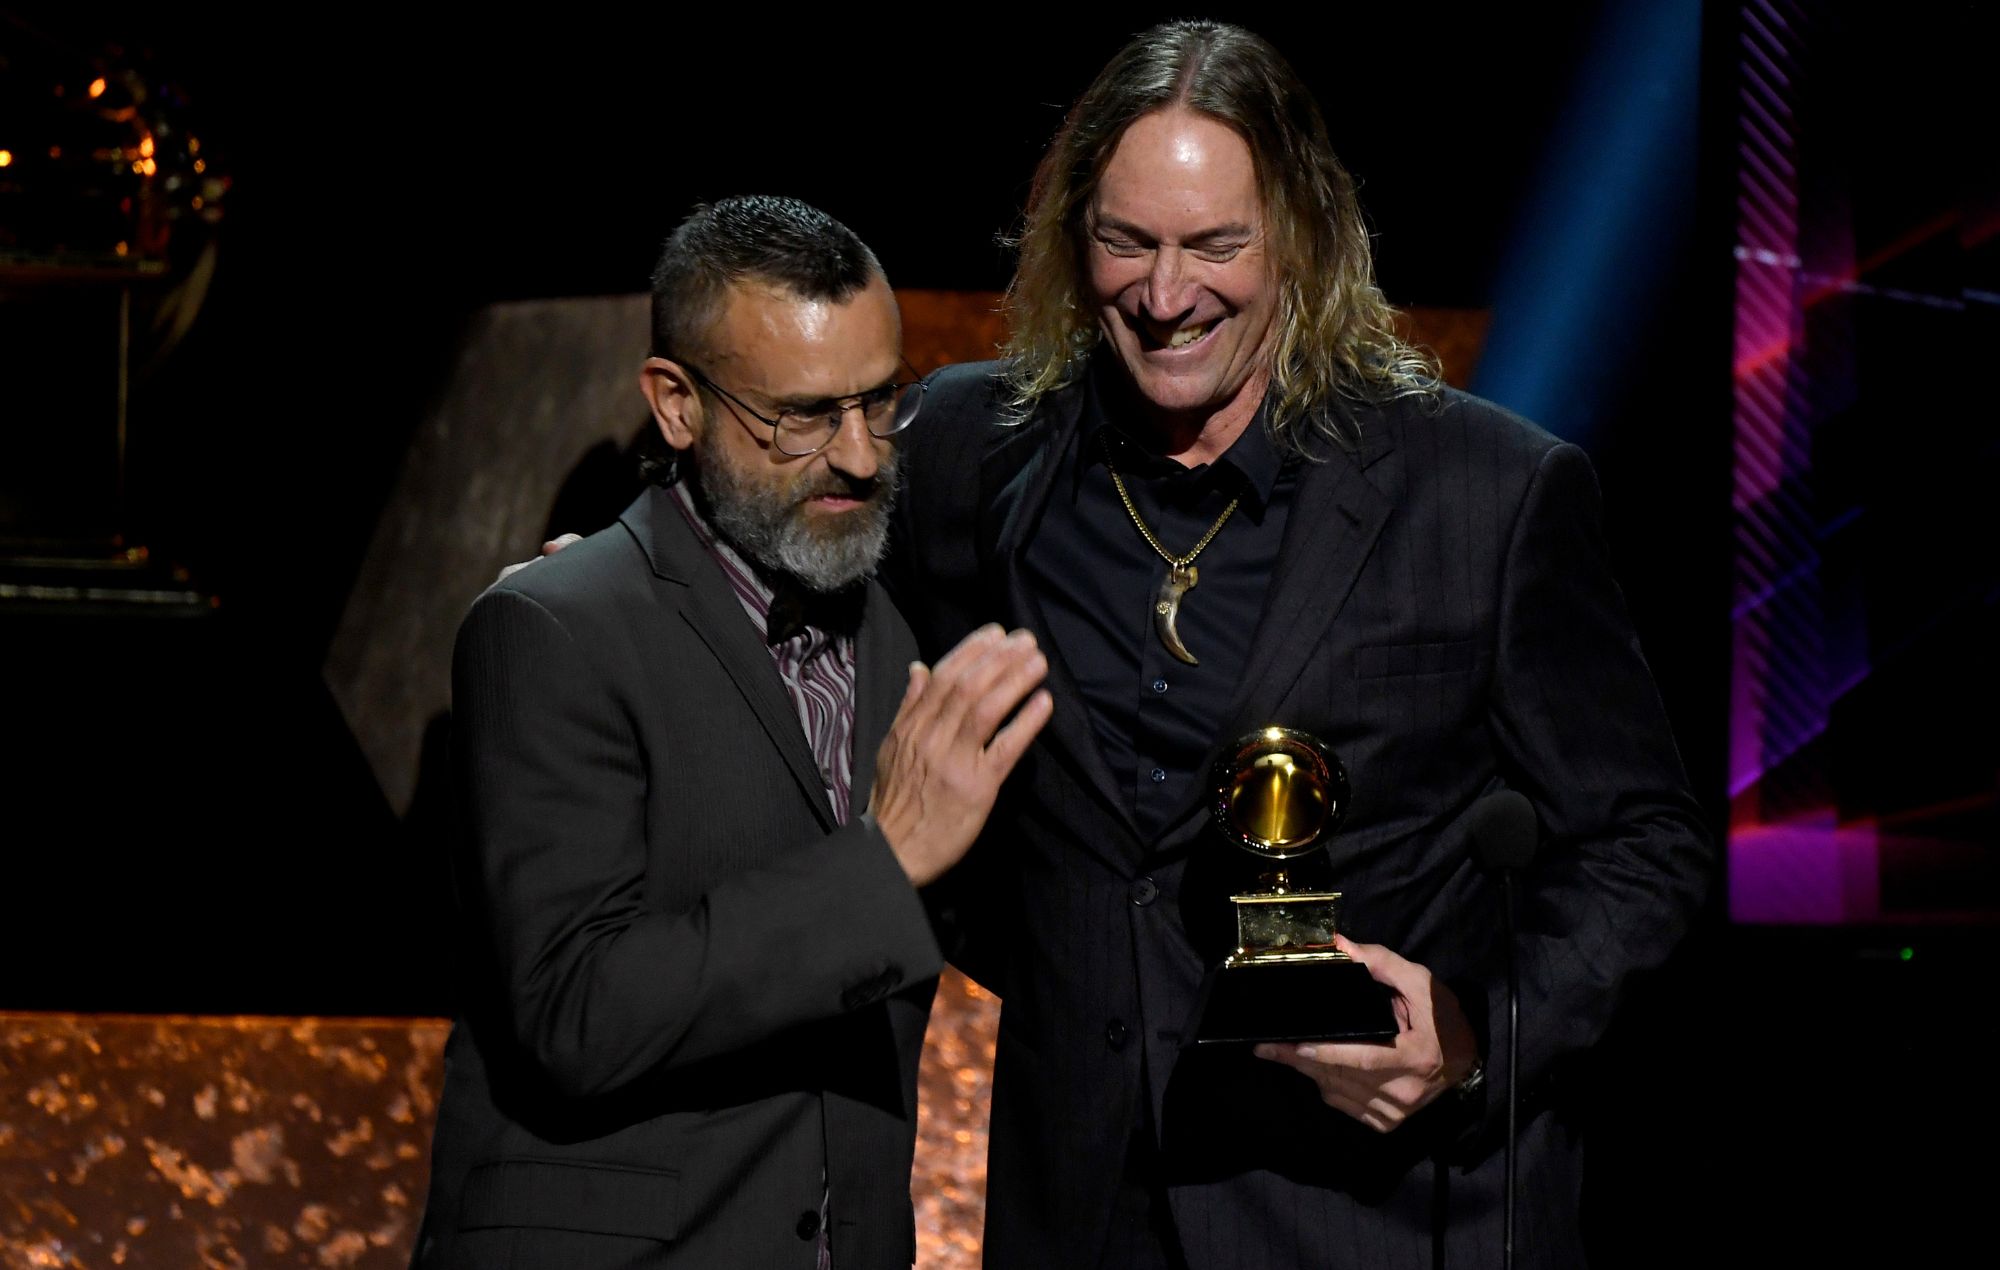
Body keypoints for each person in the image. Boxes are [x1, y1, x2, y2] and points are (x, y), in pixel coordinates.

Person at [886, 20, 1713, 1270]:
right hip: (1077, 1209)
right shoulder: (971, 449)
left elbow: (1646, 850)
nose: (1166, 297)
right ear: (1073, 241)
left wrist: (1473, 1032)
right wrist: (611, 578)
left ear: (1302, 240)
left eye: (1214, 245)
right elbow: (793, 575)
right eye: (1126, 242)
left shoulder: (1483, 493)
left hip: (1368, 1213)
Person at [411, 195, 1052, 1269]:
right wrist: (883, 863)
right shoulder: (551, 627)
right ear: (674, 404)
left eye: (876, 400)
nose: (856, 453)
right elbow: (576, 1013)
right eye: (801, 415)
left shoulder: (899, 641)